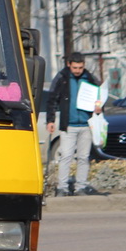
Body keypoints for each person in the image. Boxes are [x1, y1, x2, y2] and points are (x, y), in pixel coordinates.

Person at [45, 52, 103, 196]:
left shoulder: (90, 78)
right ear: (69, 64)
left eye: (80, 67)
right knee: (66, 156)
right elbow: (52, 99)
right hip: (68, 125)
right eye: (75, 67)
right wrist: (50, 120)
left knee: (83, 157)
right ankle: (62, 187)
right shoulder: (61, 78)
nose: (77, 70)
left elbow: (100, 97)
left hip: (86, 124)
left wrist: (99, 107)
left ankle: (80, 187)